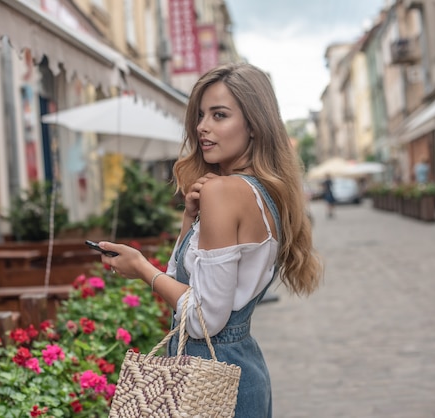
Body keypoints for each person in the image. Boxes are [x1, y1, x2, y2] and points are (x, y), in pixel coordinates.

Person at [98, 63, 322, 417]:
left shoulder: (224, 191)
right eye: (201, 115)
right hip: (239, 369)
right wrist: (190, 219)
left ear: (253, 126)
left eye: (219, 115)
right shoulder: (263, 194)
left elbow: (204, 318)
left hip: (210, 381)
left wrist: (142, 268)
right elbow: (188, 283)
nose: (203, 127)